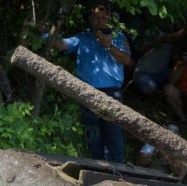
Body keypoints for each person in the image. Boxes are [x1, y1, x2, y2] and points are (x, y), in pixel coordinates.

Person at [50, 4, 133, 163]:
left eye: (104, 17)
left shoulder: (119, 37)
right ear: (90, 19)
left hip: (111, 92)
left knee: (113, 131)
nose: (100, 20)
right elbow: (62, 45)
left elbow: (126, 60)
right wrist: (47, 34)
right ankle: (98, 166)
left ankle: (117, 169)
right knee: (93, 131)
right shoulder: (83, 37)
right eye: (96, 17)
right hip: (87, 90)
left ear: (110, 19)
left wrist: (109, 46)